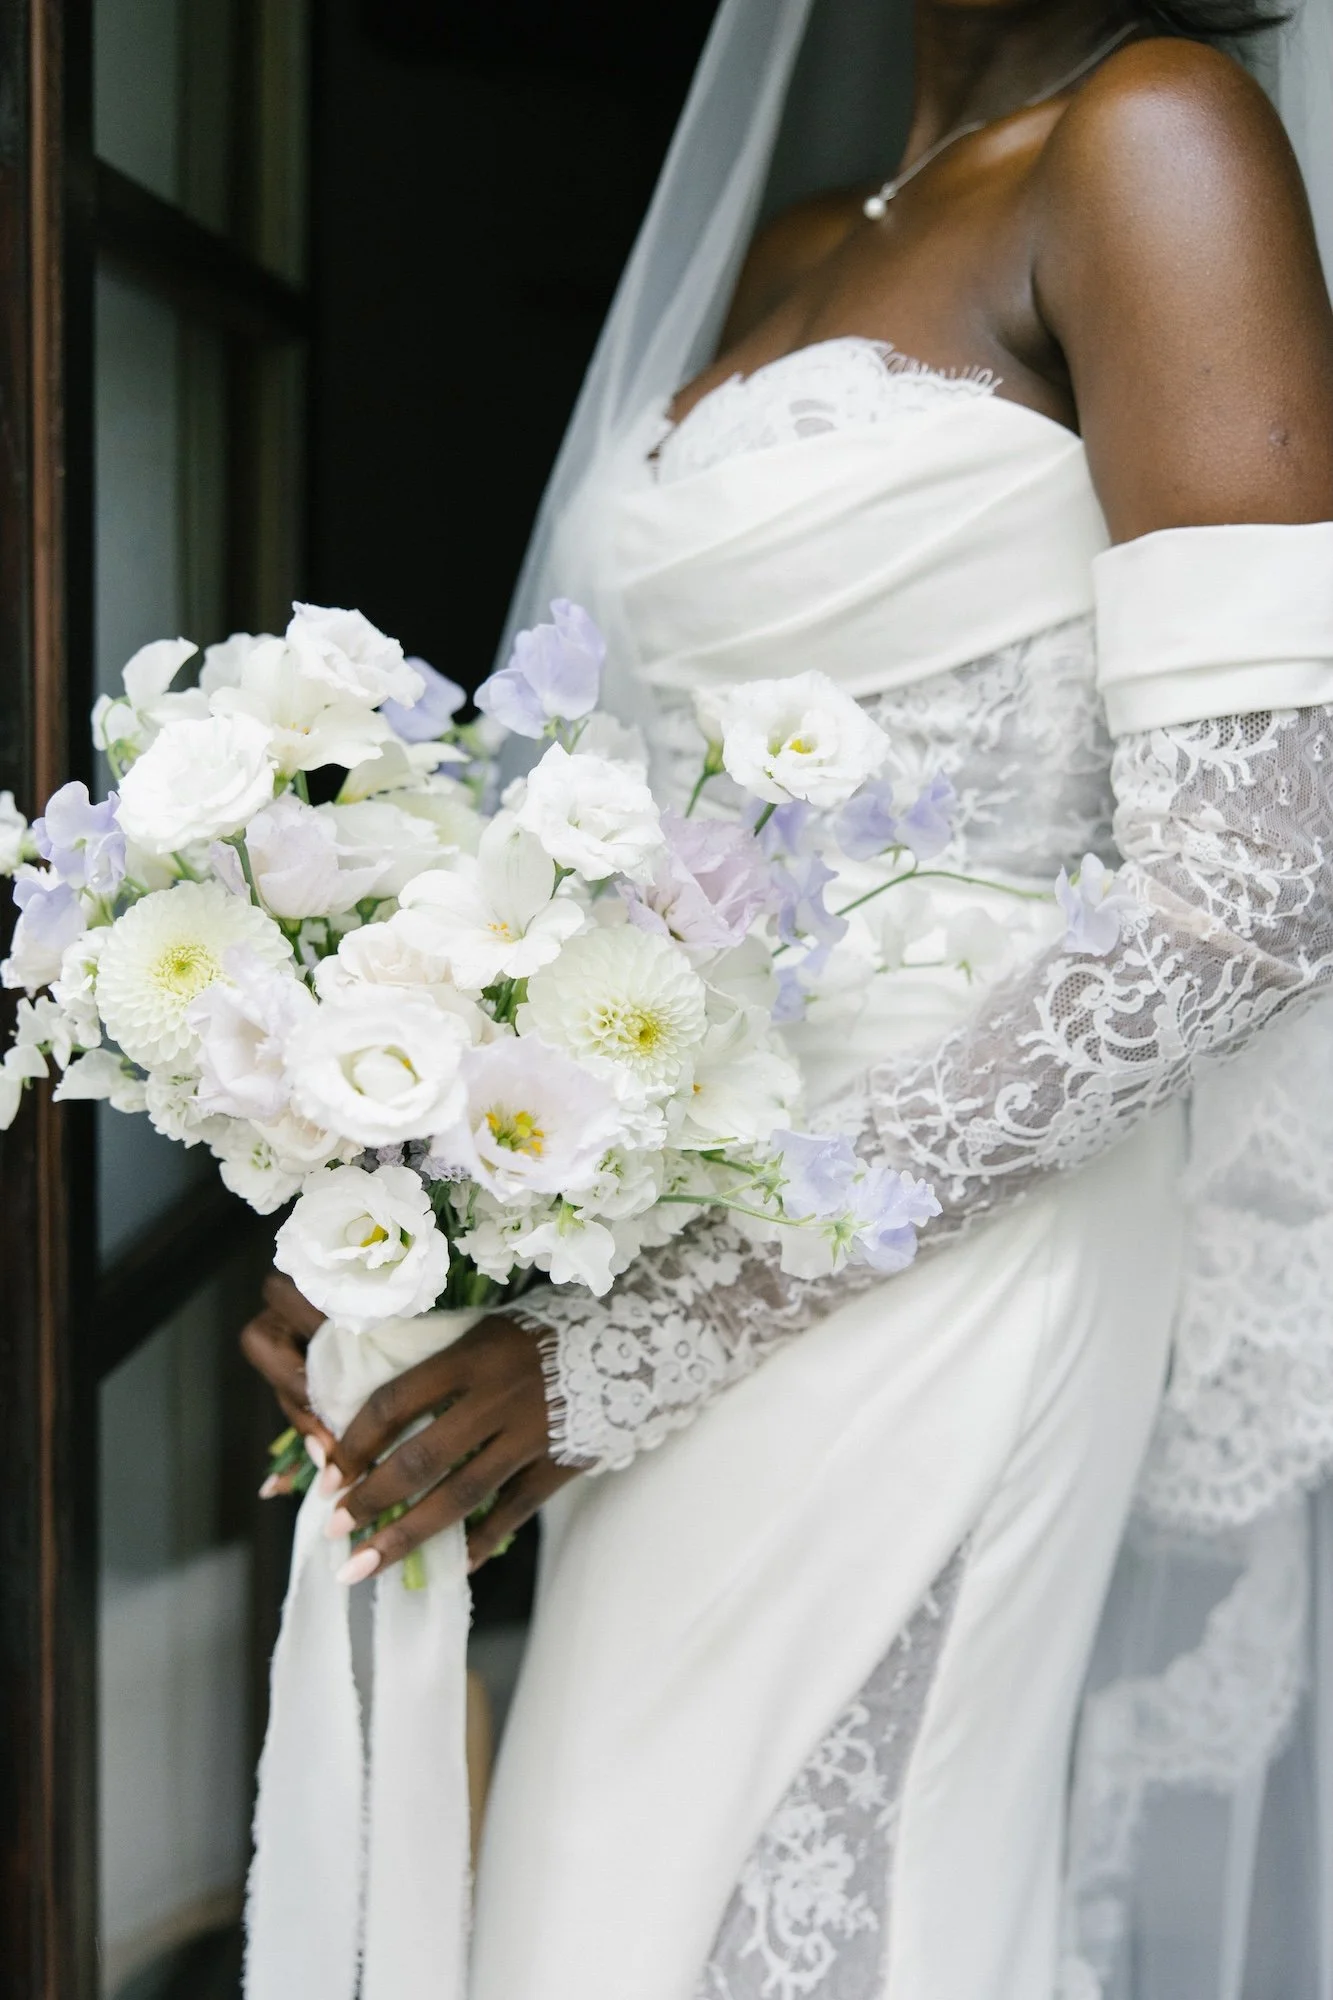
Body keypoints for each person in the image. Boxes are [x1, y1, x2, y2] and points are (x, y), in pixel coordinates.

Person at [242, 0, 1333, 1992]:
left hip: (942, 1254)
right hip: (678, 1218)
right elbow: (637, 852)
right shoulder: (809, 236)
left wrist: (631, 1357)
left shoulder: (1159, 140)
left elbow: (1251, 881)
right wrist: (417, 1223)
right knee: (595, 1903)